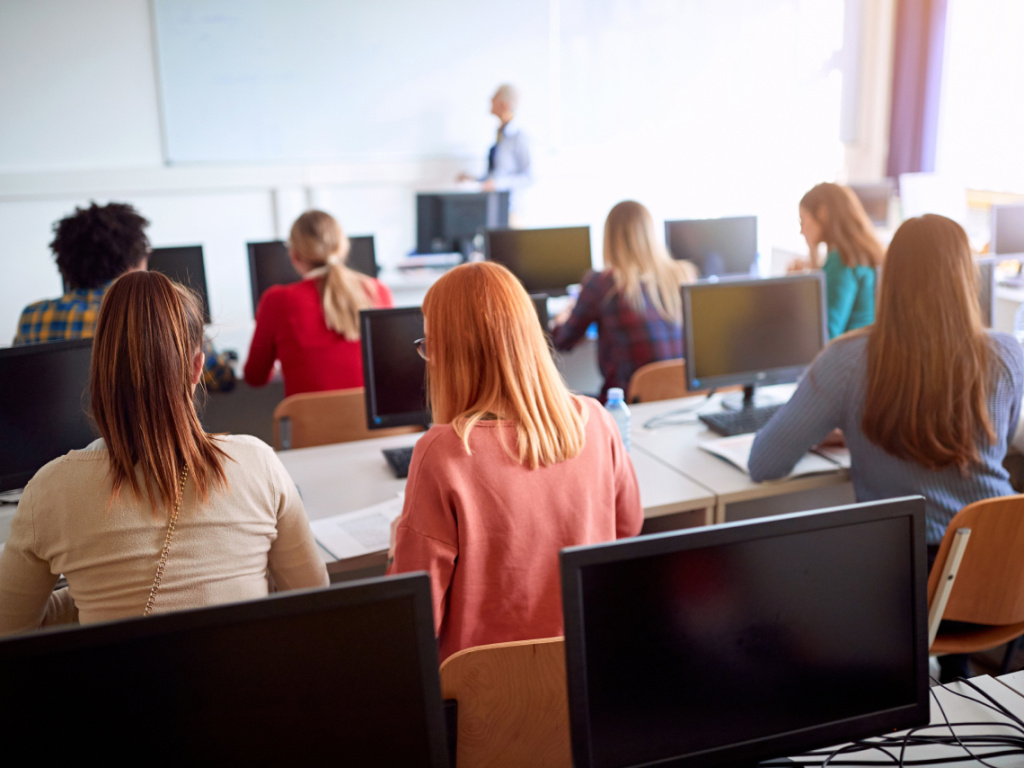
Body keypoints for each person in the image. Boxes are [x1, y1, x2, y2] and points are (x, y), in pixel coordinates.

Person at [0, 271, 328, 635]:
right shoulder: (258, 462)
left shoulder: (50, 490)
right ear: (196, 367)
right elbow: (313, 599)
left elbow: (11, 627)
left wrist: (90, 595)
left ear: (99, 372)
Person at [387, 261, 643, 661]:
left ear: (454, 353)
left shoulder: (442, 452)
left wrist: (398, 544)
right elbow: (628, 528)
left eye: (430, 345)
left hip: (481, 701)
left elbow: (413, 618)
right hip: (587, 677)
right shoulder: (597, 419)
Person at [750, 214, 1024, 548]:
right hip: (1007, 552)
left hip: (909, 566)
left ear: (890, 276)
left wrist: (834, 425)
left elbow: (764, 463)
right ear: (968, 275)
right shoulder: (1006, 353)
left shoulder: (846, 360)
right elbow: (999, 441)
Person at [13, 201, 236, 391]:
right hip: (149, 440)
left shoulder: (32, 317)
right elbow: (218, 377)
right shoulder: (165, 312)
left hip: (61, 443)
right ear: (133, 264)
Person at [551, 200, 699, 401]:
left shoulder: (602, 282)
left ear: (610, 237)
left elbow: (561, 341)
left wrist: (563, 316)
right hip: (683, 398)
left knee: (559, 400)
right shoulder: (683, 274)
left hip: (627, 402)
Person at [244, 210, 394, 397]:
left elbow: (254, 376)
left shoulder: (276, 300)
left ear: (294, 254)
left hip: (312, 426)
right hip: (379, 425)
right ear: (343, 247)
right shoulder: (378, 291)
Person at [795, 182, 884, 339]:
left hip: (847, 358)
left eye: (803, 220)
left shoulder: (843, 260)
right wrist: (813, 253)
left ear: (822, 213)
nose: (802, 231)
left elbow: (825, 334)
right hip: (862, 353)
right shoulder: (863, 252)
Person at [456, 84, 531, 212]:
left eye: (494, 98)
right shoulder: (499, 134)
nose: (490, 101)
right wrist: (474, 179)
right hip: (492, 205)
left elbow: (529, 177)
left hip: (511, 209)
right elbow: (496, 174)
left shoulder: (520, 137)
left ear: (504, 105)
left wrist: (498, 184)